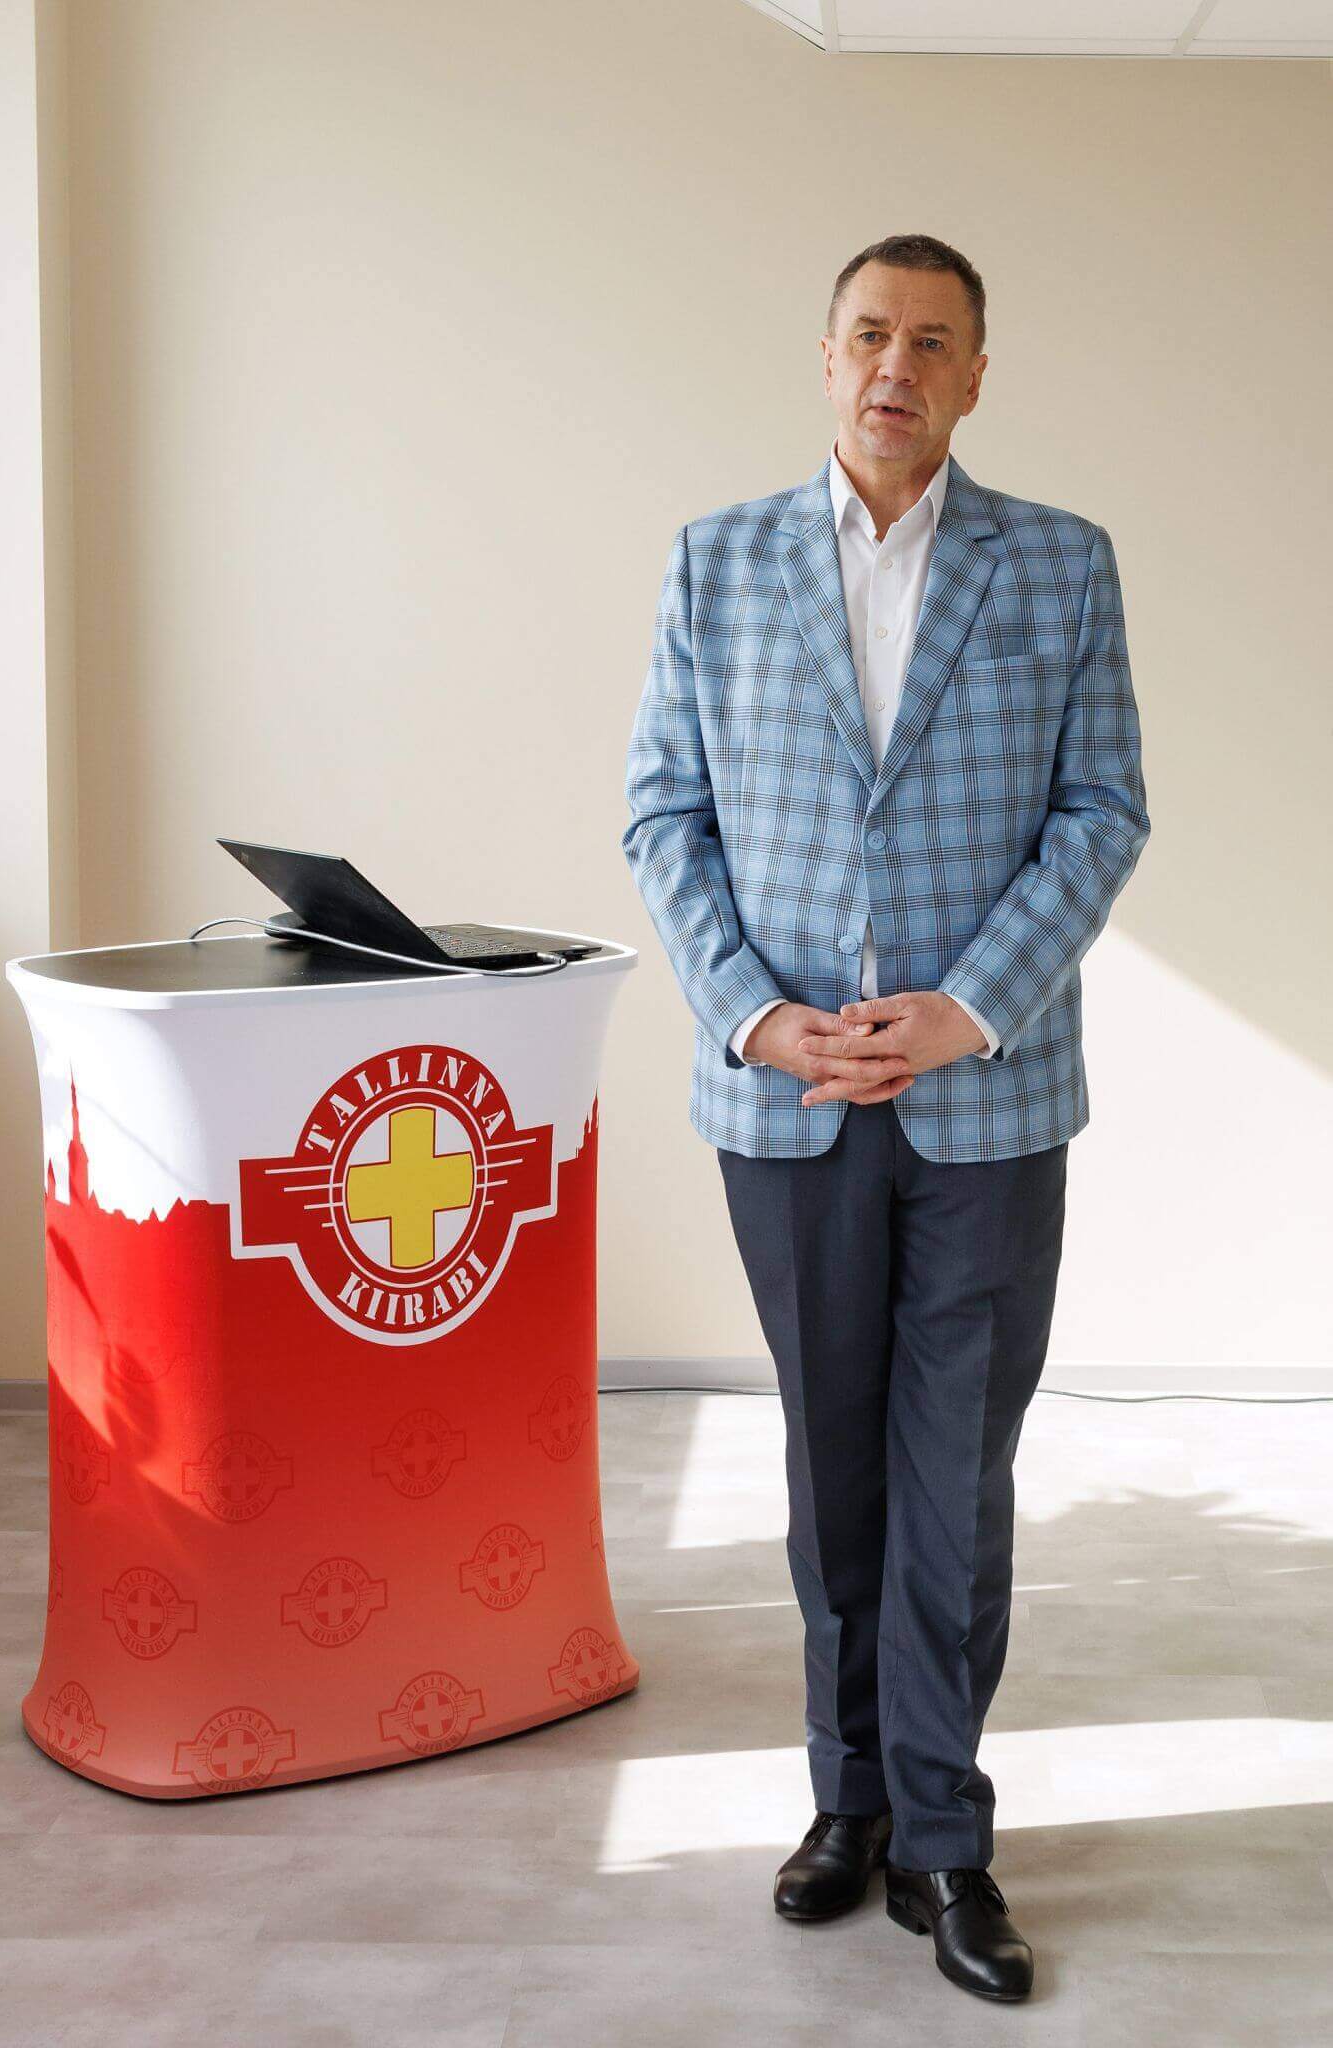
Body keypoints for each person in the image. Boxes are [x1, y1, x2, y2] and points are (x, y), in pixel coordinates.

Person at [621, 232, 1150, 2004]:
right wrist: (756, 1015)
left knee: (952, 1473)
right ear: (825, 354)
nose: (893, 367)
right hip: (783, 1100)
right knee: (827, 1463)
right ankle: (843, 1805)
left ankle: (942, 1837)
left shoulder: (1059, 563)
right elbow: (664, 815)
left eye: (932, 342)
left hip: (987, 1099)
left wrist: (966, 1007)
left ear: (975, 375)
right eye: (867, 334)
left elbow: (1100, 810)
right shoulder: (715, 561)